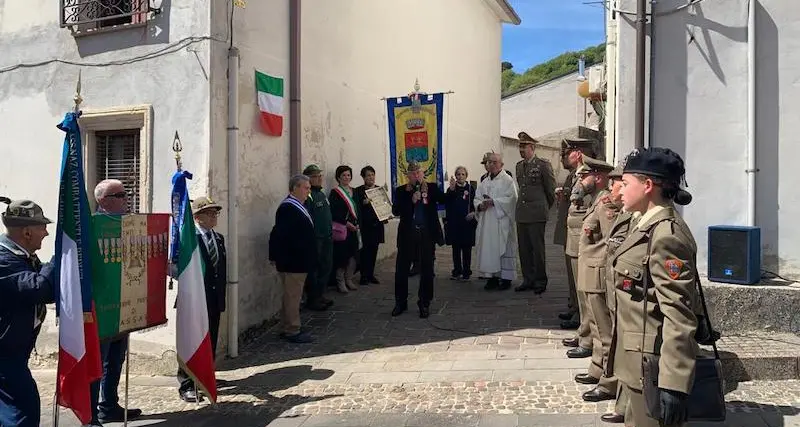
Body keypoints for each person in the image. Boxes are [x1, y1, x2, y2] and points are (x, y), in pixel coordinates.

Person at [609, 147, 699, 427]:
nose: (619, 190)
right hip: (635, 364)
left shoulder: (665, 236)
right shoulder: (642, 225)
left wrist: (673, 383)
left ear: (647, 186)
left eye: (625, 183)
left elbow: (679, 314)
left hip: (653, 369)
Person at [0, 198, 56, 427]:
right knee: (24, 411)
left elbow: (49, 290)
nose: (45, 233)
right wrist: (61, 255)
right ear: (26, 232)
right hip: (4, 352)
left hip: (14, 348)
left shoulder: (22, 257)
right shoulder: (4, 259)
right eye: (42, 227)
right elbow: (39, 288)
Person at [91, 179, 142, 425]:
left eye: (126, 193)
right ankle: (90, 412)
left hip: (122, 304)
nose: (126, 198)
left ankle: (109, 405)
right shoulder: (92, 226)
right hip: (101, 308)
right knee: (97, 362)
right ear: (103, 200)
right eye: (120, 195)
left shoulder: (129, 226)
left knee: (115, 359)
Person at [572, 159, 616, 402]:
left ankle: (609, 382)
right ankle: (597, 369)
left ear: (598, 177)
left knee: (604, 331)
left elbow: (612, 241)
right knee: (597, 328)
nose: (581, 180)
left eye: (585, 176)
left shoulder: (606, 203)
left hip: (598, 273)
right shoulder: (597, 201)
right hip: (590, 272)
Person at [176, 197, 227, 402]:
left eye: (215, 212)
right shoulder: (189, 241)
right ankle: (187, 383)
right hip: (195, 299)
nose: (214, 216)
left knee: (210, 338)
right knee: (192, 340)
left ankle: (206, 375)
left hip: (213, 299)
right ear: (197, 217)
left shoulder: (219, 238)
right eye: (209, 213)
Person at [599, 165, 634, 425]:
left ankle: (626, 405)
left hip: (631, 300)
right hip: (616, 291)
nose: (614, 188)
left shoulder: (641, 220)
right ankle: (622, 403)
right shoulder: (626, 213)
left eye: (620, 183)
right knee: (619, 346)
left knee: (627, 350)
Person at [391, 161, 445, 318]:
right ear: (408, 176)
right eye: (412, 173)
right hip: (407, 235)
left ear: (423, 174)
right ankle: (400, 302)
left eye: (418, 173)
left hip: (426, 234)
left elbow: (443, 199)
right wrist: (411, 201)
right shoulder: (401, 191)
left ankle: (424, 303)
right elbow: (396, 211)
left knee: (427, 270)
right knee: (402, 270)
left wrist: (455, 188)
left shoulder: (432, 188)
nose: (416, 176)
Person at [269, 174, 318, 344]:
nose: (308, 191)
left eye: (309, 188)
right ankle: (292, 330)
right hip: (293, 262)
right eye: (306, 188)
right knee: (293, 297)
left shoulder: (299, 206)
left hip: (298, 261)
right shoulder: (288, 208)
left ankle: (287, 325)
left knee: (292, 296)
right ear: (295, 188)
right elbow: (283, 236)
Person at [514, 131, 555, 293]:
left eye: (524, 147)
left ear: (532, 147)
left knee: (537, 249)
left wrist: (544, 208)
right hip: (522, 214)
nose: (521, 150)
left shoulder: (543, 165)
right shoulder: (519, 166)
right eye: (519, 147)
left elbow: (550, 191)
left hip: (537, 214)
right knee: (523, 249)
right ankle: (527, 279)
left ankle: (540, 280)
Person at [474, 152, 519, 291]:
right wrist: (480, 205)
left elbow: (512, 199)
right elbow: (477, 198)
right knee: (489, 249)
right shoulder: (484, 181)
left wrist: (494, 202)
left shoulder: (507, 181)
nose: (491, 165)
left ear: (501, 164)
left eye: (494, 162)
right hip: (487, 221)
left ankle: (506, 278)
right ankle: (492, 277)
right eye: (489, 162)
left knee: (504, 249)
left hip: (501, 221)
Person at [302, 164, 335, 311]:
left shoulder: (321, 194)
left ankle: (321, 294)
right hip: (316, 238)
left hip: (327, 236)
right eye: (315, 176)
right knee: (314, 270)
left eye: (319, 176)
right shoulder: (308, 195)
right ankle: (313, 299)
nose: (319, 179)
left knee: (326, 266)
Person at [329, 165, 360, 293]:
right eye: (343, 175)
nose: (346, 177)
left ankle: (349, 279)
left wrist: (358, 224)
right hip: (343, 229)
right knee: (342, 256)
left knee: (353, 256)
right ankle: (340, 281)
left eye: (348, 175)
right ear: (338, 177)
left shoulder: (355, 191)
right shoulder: (335, 193)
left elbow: (359, 210)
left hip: (355, 229)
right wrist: (347, 223)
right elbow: (334, 212)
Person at [354, 165, 387, 286]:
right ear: (363, 177)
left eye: (372, 175)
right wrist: (363, 203)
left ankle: (371, 274)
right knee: (364, 251)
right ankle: (363, 276)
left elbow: (384, 205)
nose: (371, 177)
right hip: (365, 227)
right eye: (368, 175)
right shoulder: (358, 191)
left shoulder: (379, 190)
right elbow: (356, 208)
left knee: (374, 250)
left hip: (377, 226)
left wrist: (387, 213)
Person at [444, 166, 477, 281]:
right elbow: (447, 202)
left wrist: (473, 213)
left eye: (463, 174)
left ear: (466, 176)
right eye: (458, 174)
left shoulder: (471, 189)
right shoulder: (451, 189)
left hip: (467, 223)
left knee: (467, 249)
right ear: (456, 176)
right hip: (455, 223)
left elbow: (475, 203)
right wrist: (452, 190)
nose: (460, 176)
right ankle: (457, 270)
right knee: (456, 249)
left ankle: (466, 272)